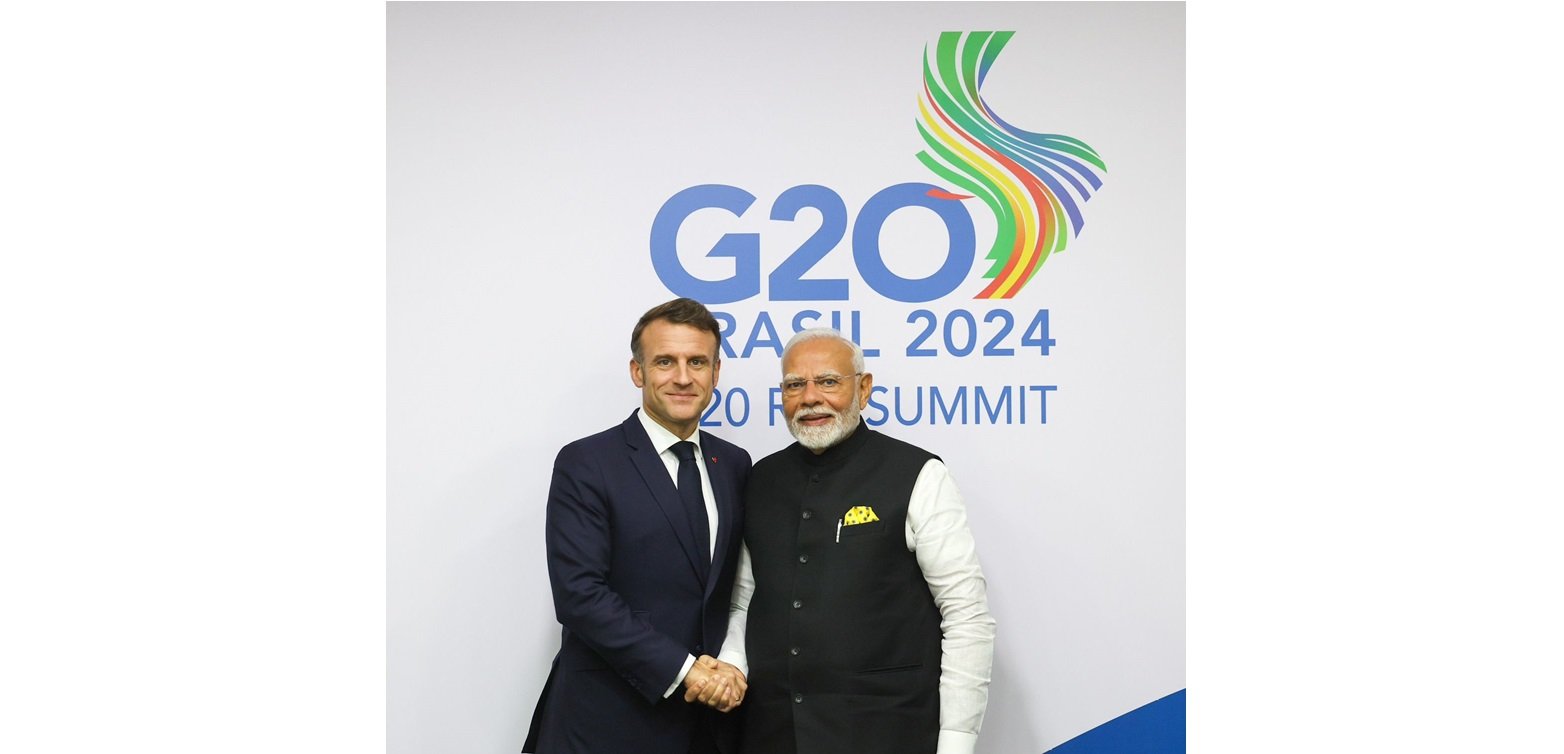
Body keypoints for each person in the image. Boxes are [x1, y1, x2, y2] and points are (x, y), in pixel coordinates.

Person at [707, 327, 995, 754]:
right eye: (794, 385)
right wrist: (731, 667)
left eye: (827, 382)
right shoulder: (760, 480)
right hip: (773, 733)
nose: (809, 398)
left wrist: (956, 742)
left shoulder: (918, 474)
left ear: (864, 388)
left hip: (887, 733)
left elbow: (966, 615)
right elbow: (745, 602)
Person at [523, 298, 751, 754]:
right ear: (637, 371)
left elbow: (735, 589)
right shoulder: (587, 463)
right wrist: (688, 672)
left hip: (708, 728)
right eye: (665, 361)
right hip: (606, 721)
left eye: (697, 362)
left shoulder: (734, 464)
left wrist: (730, 666)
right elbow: (579, 595)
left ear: (716, 373)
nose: (683, 377)